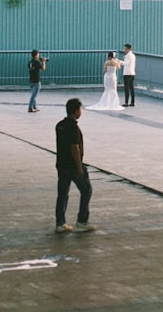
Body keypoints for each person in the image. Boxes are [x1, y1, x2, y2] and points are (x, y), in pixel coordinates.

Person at [55, 98, 96, 233]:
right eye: (80, 109)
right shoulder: (73, 127)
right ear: (76, 111)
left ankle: (60, 223)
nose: (81, 111)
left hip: (61, 165)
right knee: (86, 190)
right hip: (72, 166)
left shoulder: (59, 125)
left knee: (63, 194)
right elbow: (75, 148)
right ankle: (82, 220)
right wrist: (79, 167)